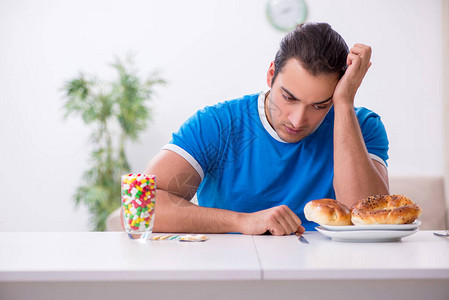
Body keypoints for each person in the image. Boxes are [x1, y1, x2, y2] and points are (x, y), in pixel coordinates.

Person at [144, 22, 389, 235]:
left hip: (328, 276)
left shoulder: (362, 126)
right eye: (289, 98)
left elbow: (369, 220)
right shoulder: (218, 125)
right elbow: (141, 208)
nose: (297, 120)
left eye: (319, 105)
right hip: (230, 273)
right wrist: (241, 221)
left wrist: (344, 105)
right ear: (271, 74)